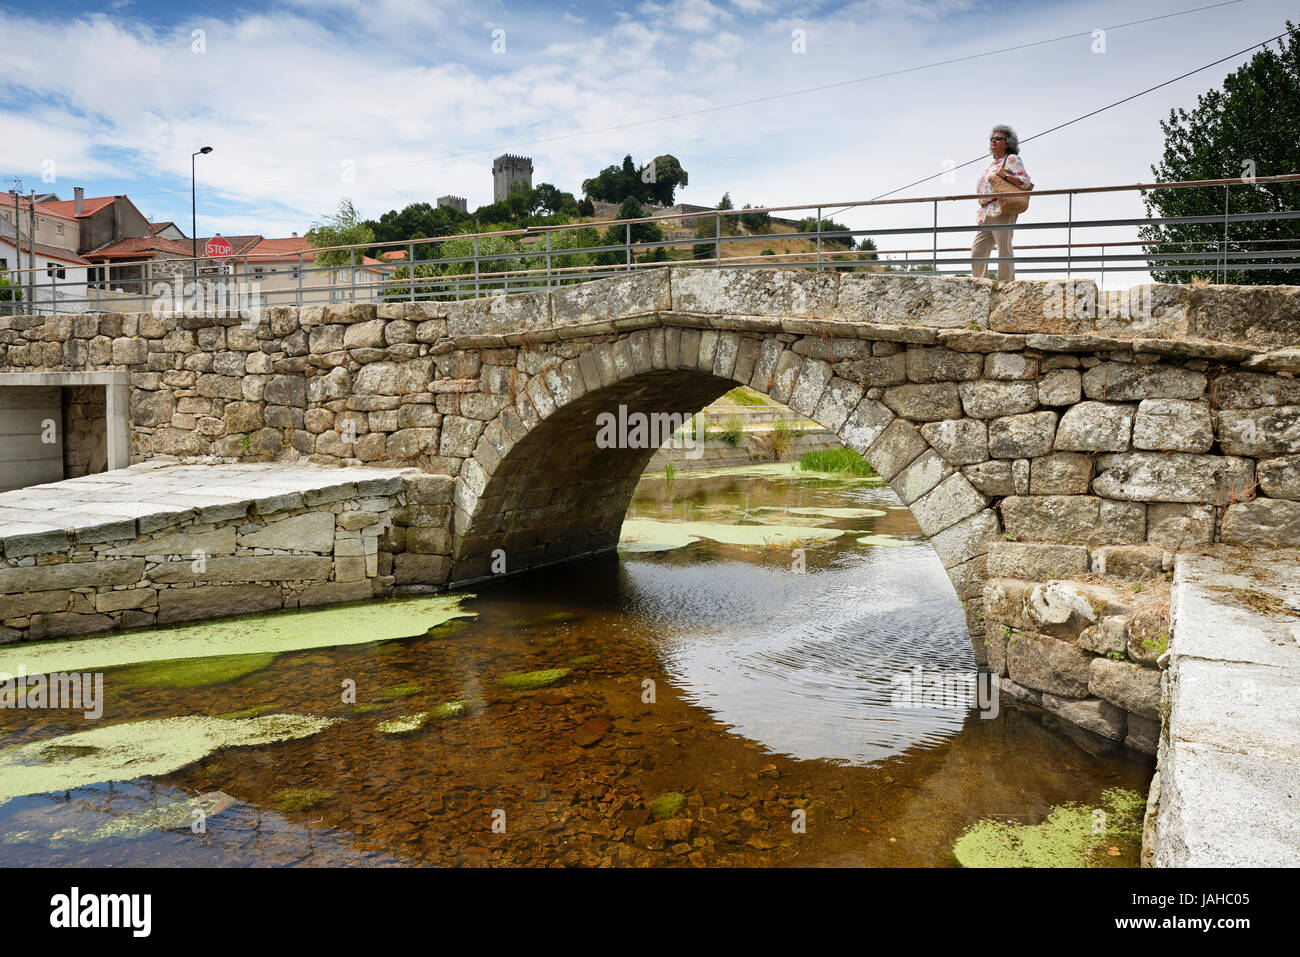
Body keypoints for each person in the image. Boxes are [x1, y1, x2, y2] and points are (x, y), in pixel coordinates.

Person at [970, 125, 1032, 281]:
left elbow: (1025, 182)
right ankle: (980, 283)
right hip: (986, 212)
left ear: (1007, 143)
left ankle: (1006, 284)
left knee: (1003, 248)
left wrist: (1005, 176)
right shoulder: (992, 164)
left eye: (999, 139)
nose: (994, 141)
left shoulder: (1011, 159)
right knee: (977, 251)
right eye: (992, 139)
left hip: (1002, 208)